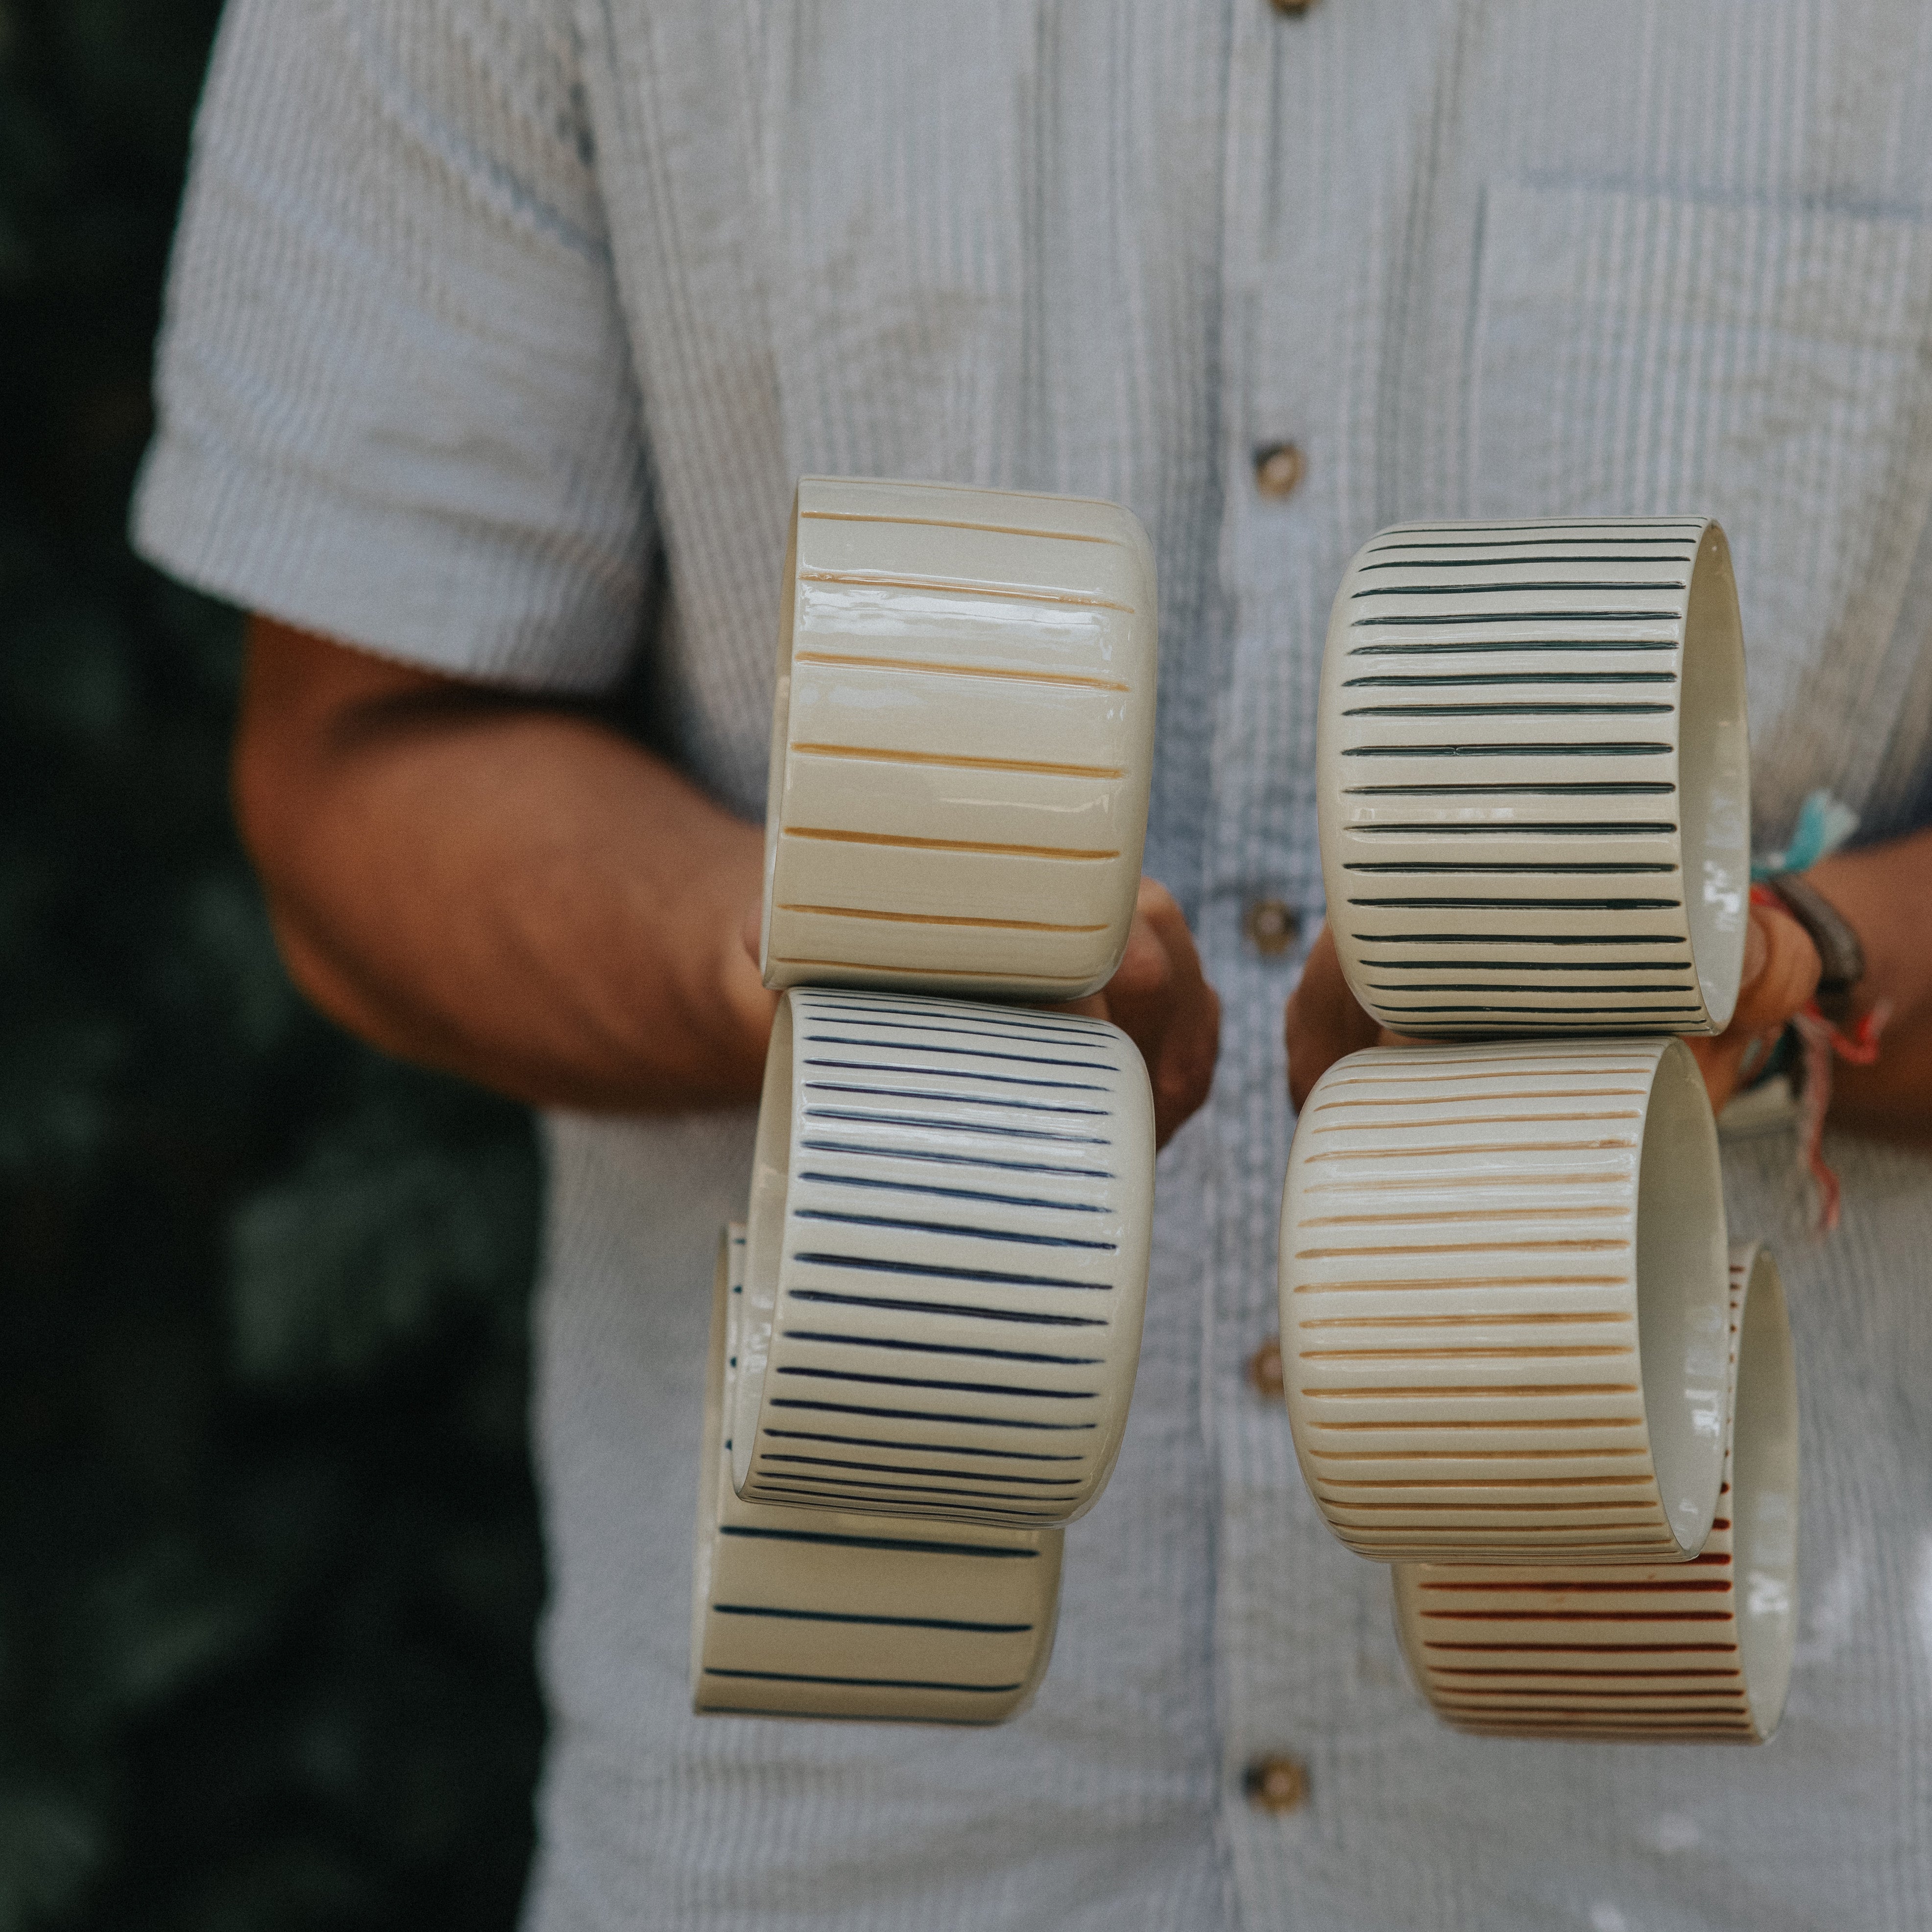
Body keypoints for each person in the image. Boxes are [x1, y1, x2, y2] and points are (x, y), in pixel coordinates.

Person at [136, 4, 1932, 1926]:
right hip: (843, 1840)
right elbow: (364, 763)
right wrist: (779, 964)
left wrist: (1779, 970)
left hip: (1751, 1836)